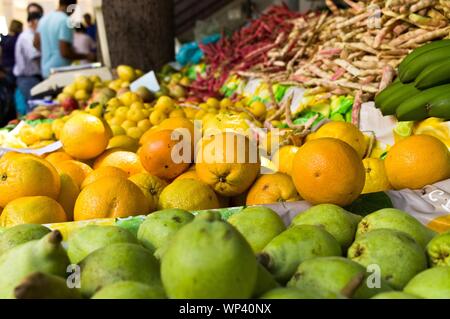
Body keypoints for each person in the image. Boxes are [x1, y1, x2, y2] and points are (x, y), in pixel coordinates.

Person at [34, 0, 95, 78]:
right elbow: (65, 52)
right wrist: (86, 56)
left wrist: (48, 52)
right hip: (61, 72)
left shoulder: (44, 19)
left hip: (46, 70)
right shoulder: (65, 20)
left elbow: (36, 43)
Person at [14, 12, 42, 112]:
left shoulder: (31, 35)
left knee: (36, 107)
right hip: (28, 78)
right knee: (34, 108)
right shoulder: (27, 36)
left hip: (31, 78)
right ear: (33, 22)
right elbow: (34, 55)